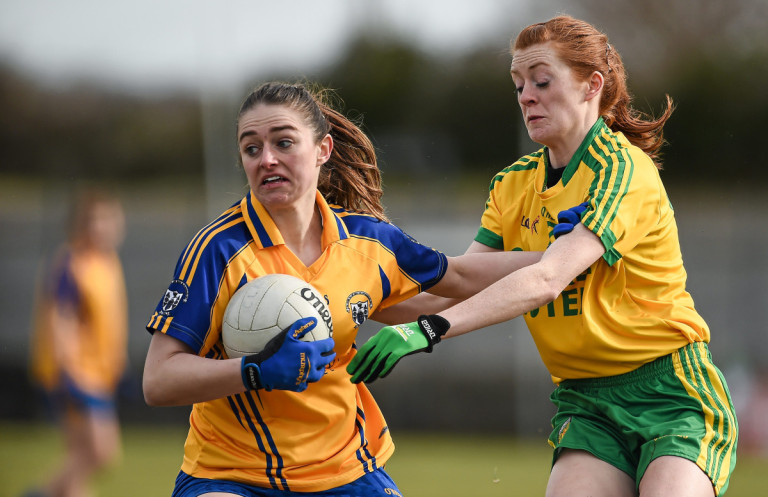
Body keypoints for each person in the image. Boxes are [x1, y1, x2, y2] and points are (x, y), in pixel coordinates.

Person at [347, 15, 738, 497]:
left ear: (591, 85)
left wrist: (427, 331)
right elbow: (462, 285)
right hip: (585, 401)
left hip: (670, 392)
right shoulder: (511, 185)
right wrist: (351, 302)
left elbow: (548, 277)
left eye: (541, 81)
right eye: (518, 85)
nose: (526, 96)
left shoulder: (622, 169)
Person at [141, 81, 541, 496]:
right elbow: (158, 380)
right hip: (231, 474)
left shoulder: (369, 241)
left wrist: (565, 257)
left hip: (346, 470)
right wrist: (253, 370)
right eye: (252, 148)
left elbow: (459, 277)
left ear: (323, 150)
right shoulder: (218, 250)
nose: (268, 159)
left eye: (283, 142)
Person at [27, 189, 129, 497]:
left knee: (81, 457)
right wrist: (68, 373)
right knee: (102, 452)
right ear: (81, 224)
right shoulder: (72, 264)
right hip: (78, 375)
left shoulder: (107, 262)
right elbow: (62, 321)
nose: (103, 227)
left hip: (99, 373)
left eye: (109, 219)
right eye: (95, 220)